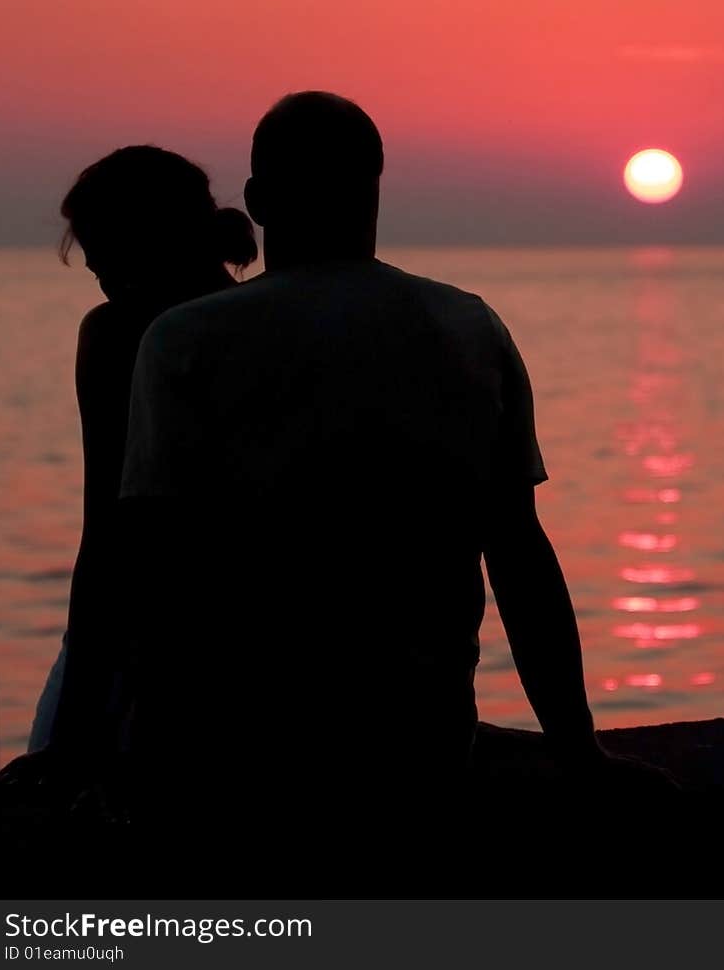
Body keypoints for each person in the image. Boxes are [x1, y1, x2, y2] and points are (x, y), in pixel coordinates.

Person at [114, 92, 674, 891]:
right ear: (376, 189)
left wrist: (123, 754)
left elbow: (155, 574)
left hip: (237, 764)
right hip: (421, 752)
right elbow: (519, 558)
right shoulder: (469, 328)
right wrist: (579, 750)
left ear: (262, 201)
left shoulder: (185, 340)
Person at [25, 146, 257, 769]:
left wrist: (71, 733)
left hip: (150, 645)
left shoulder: (117, 335)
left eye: (101, 252)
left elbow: (109, 534)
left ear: (140, 241)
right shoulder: (267, 326)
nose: (94, 268)